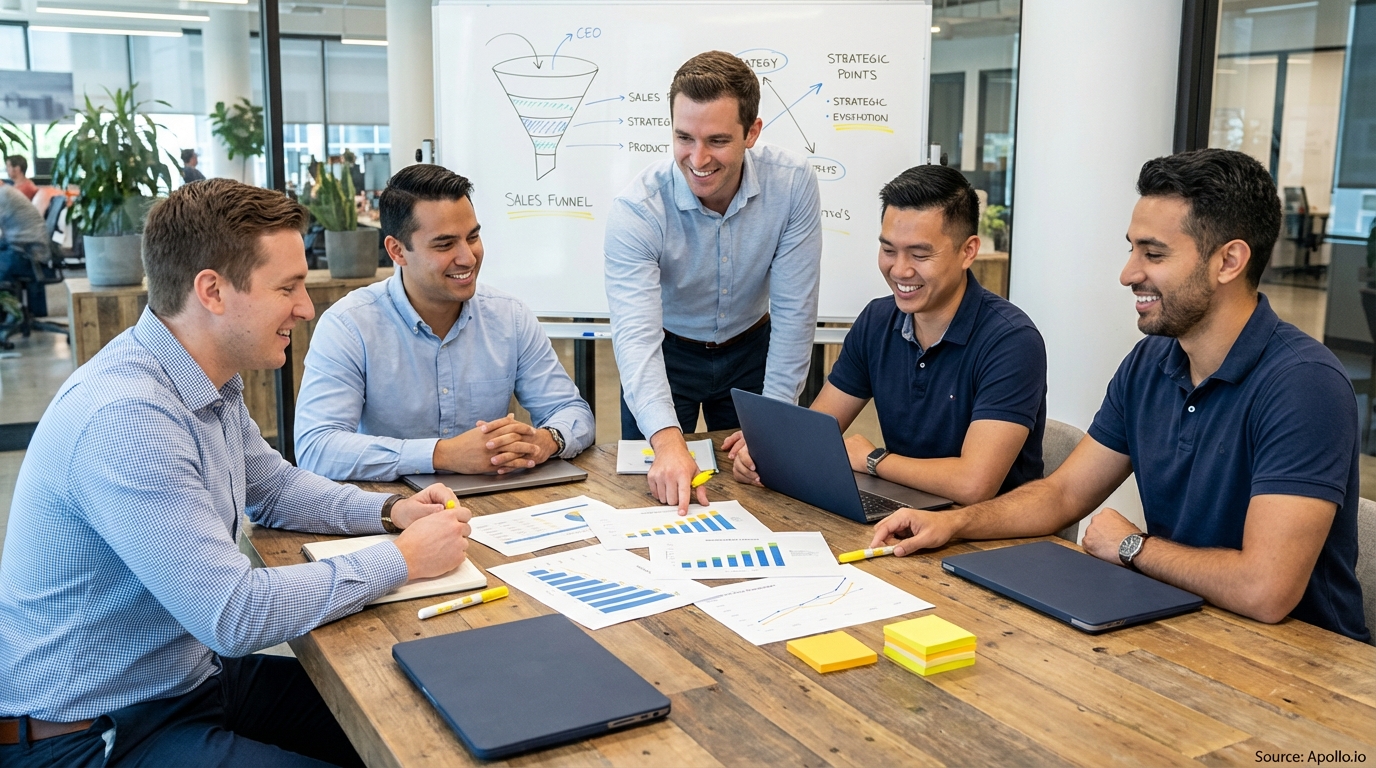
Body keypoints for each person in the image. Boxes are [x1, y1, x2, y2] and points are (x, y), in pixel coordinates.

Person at [0, 178, 473, 766]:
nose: (305, 307)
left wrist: (388, 511)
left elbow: (272, 487)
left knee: (419, 718)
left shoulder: (206, 376)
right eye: (288, 287)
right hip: (99, 731)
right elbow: (235, 612)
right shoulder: (127, 418)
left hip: (187, 680)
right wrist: (403, 558)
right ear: (213, 292)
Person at [871, 149, 1369, 642]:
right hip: (1184, 627)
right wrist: (953, 524)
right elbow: (1062, 495)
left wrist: (1133, 545)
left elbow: (1266, 590)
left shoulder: (1305, 384)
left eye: (1153, 254)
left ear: (1230, 261)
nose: (1128, 273)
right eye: (1132, 249)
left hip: (1301, 668)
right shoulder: (1149, 363)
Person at [725, 165, 1047, 505]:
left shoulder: (1012, 342)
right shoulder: (877, 321)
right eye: (889, 250)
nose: (900, 270)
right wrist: (768, 456)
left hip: (990, 539)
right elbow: (816, 433)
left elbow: (974, 484)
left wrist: (873, 459)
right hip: (905, 513)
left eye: (920, 255)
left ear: (968, 251)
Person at [605, 50, 822, 514]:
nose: (698, 158)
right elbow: (636, 337)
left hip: (751, 352)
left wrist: (774, 421)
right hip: (668, 354)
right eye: (684, 137)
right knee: (656, 498)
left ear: (752, 132)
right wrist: (666, 444)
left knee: (762, 491)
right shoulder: (637, 210)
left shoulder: (792, 184)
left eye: (718, 140)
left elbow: (795, 312)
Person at [295, 164, 594, 482]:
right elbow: (317, 448)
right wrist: (442, 455)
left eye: (473, 237)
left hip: (498, 507)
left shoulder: (510, 318)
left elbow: (573, 413)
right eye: (445, 244)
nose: (468, 257)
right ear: (397, 250)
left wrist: (545, 441)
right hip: (390, 510)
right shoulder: (349, 326)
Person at [0, 183, 50, 317]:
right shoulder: (8, 192)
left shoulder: (3, 195)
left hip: (28, 255)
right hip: (30, 250)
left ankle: (10, 315)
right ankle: (10, 314)